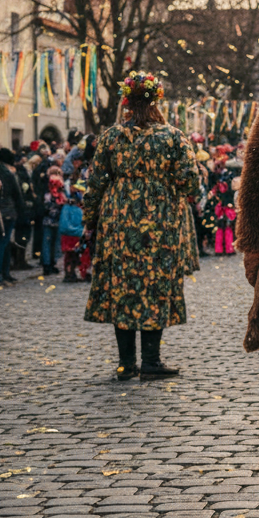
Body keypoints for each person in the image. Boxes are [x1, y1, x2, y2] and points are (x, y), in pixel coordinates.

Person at [83, 72, 199, 381]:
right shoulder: (173, 136)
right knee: (155, 287)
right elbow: (190, 179)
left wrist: (89, 219)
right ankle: (151, 361)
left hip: (118, 219)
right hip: (161, 221)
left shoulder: (110, 136)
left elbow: (95, 182)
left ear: (127, 103)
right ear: (156, 101)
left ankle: (125, 363)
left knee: (121, 287)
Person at [0, 148, 24, 285]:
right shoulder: (7, 173)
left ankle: (2, 274)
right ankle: (1, 274)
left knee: (1, 244)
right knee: (3, 244)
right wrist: (22, 211)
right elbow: (17, 193)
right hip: (8, 212)